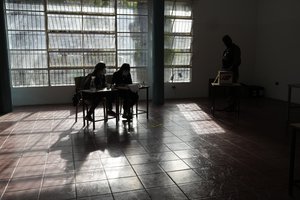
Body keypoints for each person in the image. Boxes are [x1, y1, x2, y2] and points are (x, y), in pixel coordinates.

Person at [221, 35, 241, 111]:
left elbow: (236, 61)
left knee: (232, 89)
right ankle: (229, 105)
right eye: (224, 42)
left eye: (226, 42)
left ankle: (233, 106)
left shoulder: (235, 48)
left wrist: (230, 69)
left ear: (229, 40)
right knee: (228, 90)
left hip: (232, 72)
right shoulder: (227, 49)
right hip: (226, 72)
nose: (225, 43)